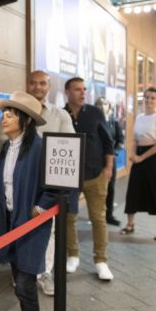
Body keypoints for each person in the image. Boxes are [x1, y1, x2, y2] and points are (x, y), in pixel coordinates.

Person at [0, 91, 55, 311]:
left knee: (26, 284)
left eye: (11, 114)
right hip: (10, 222)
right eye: (5, 113)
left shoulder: (40, 148)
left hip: (31, 225)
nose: (5, 117)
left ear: (25, 120)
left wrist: (39, 208)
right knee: (18, 282)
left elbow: (55, 187)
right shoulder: (7, 147)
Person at [27, 70, 75, 297]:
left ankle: (45, 274)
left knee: (49, 230)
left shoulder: (60, 116)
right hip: (22, 182)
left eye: (42, 83)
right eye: (34, 83)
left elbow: (68, 148)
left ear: (49, 86)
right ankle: (24, 273)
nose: (38, 87)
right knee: (20, 227)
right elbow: (3, 142)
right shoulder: (16, 112)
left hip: (48, 185)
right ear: (28, 85)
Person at [64, 77, 115, 281]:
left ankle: (101, 261)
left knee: (98, 219)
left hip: (95, 175)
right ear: (68, 91)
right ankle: (73, 255)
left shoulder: (94, 113)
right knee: (68, 218)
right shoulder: (61, 114)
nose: (82, 93)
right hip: (69, 177)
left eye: (84, 89)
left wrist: (108, 169)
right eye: (77, 89)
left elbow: (108, 141)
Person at [120, 87, 156, 241]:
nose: (149, 100)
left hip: (155, 158)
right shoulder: (139, 117)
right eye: (146, 97)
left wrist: (142, 157)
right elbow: (136, 139)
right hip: (140, 155)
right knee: (133, 189)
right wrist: (132, 153)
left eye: (152, 98)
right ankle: (130, 224)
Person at [95, 97, 124, 226]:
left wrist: (113, 153)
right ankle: (96, 215)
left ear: (109, 106)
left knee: (110, 188)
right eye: (99, 104)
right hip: (94, 161)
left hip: (110, 161)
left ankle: (109, 215)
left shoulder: (113, 122)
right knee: (95, 189)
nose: (102, 106)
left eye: (104, 104)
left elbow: (120, 140)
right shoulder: (92, 121)